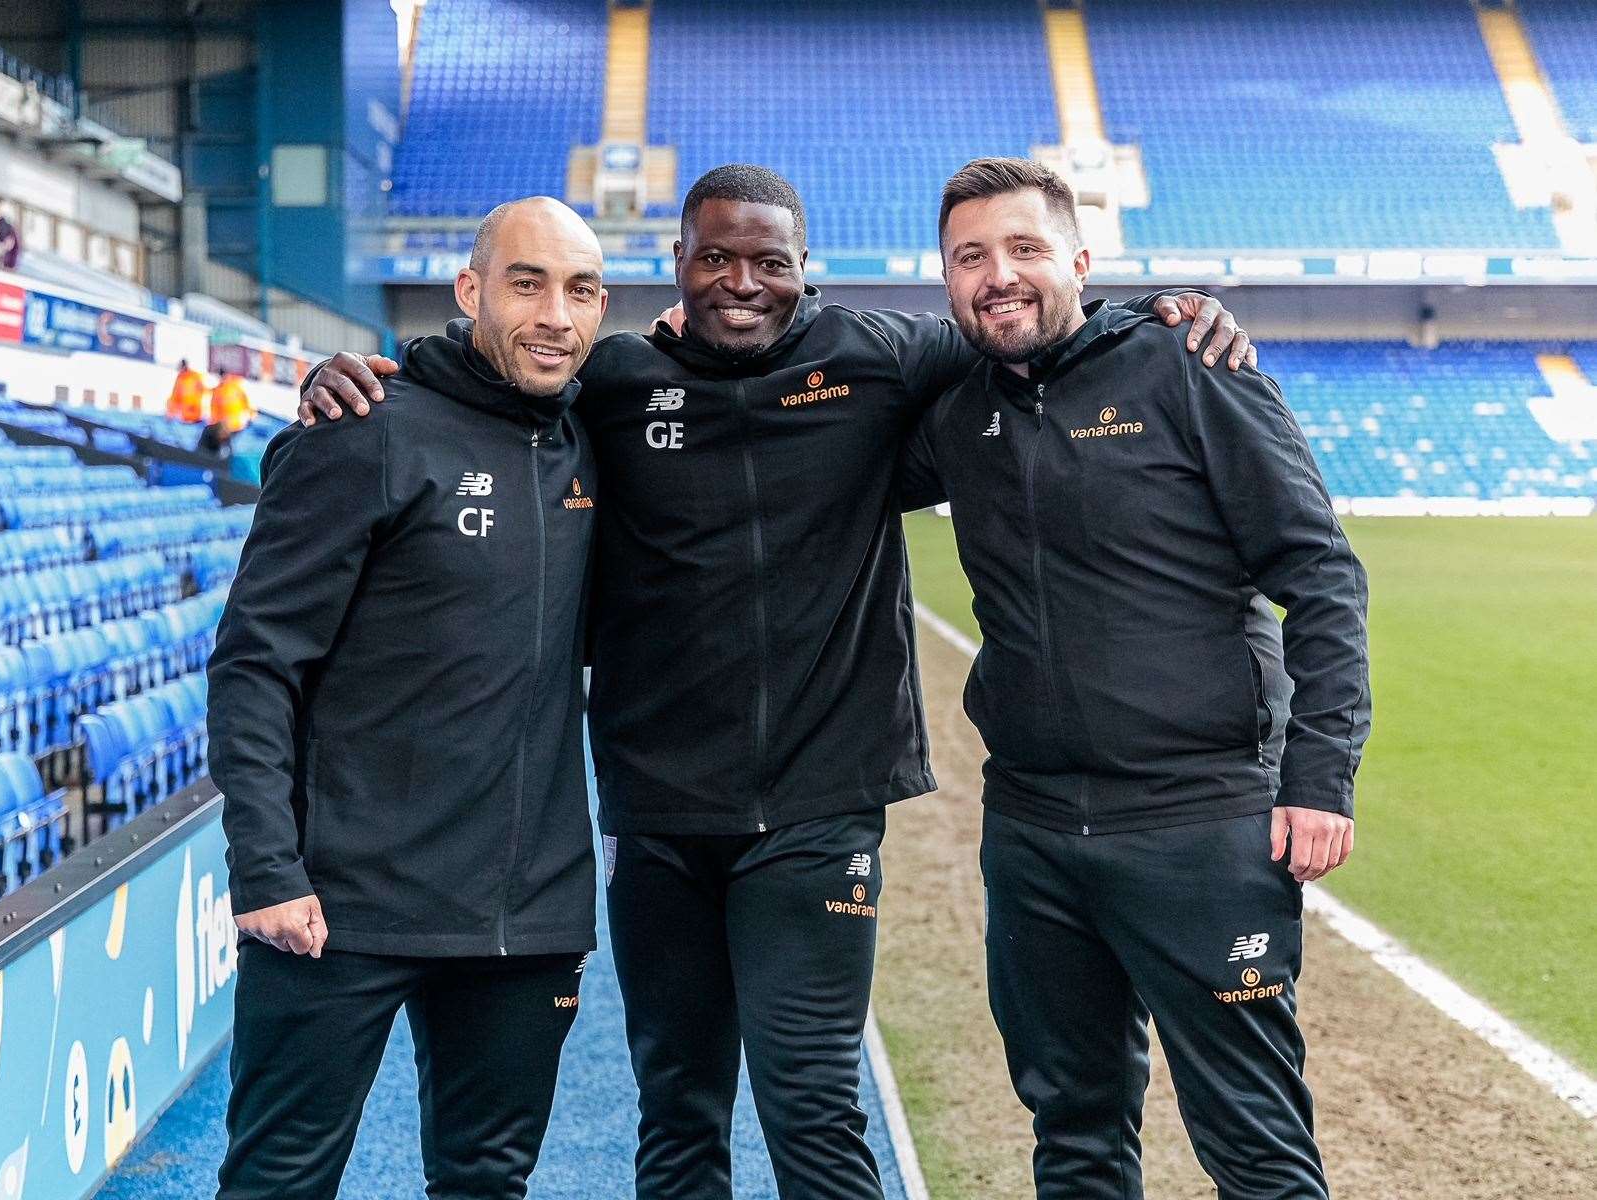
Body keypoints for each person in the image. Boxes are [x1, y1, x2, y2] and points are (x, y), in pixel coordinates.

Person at [300, 164, 1251, 1200]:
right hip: (660, 814)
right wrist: (363, 375)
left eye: (768, 262)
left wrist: (1162, 317)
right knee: (677, 1109)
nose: (741, 282)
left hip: (818, 807)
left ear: (808, 272)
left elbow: (1027, 332)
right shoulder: (615, 383)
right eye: (715, 259)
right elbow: (490, 388)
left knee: (811, 1103)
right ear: (679, 266)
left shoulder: (879, 357)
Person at [901, 157, 1369, 1199]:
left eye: (1024, 249)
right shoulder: (955, 411)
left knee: (1255, 1147)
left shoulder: (1186, 362)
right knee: (1072, 1132)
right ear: (945, 279)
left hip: (1198, 824)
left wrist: (1319, 775)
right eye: (971, 257)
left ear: (1079, 257)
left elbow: (1323, 574)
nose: (999, 276)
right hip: (1031, 833)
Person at [205, 196, 607, 1200]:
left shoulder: (597, 439)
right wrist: (264, 867)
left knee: (485, 1186)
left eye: (582, 290)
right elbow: (256, 661)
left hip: (526, 917)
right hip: (340, 906)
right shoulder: (364, 430)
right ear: (469, 290)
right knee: (277, 1185)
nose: (557, 313)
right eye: (528, 283)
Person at [168, 359, 208, 423]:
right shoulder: (180, 378)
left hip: (195, 412)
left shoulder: (195, 376)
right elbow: (175, 395)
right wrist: (171, 412)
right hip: (185, 416)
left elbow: (203, 389)